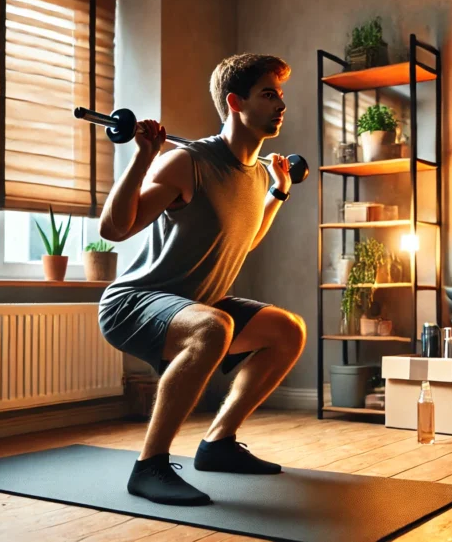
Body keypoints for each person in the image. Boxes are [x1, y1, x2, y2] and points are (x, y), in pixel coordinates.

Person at [97, 54, 305, 507]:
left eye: (280, 95)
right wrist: (144, 159)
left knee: (288, 330)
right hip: (135, 302)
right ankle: (149, 466)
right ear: (235, 102)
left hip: (200, 303)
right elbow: (113, 230)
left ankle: (218, 444)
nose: (280, 104)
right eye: (268, 94)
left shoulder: (253, 175)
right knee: (213, 325)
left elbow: (245, 239)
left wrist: (278, 192)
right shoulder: (187, 162)